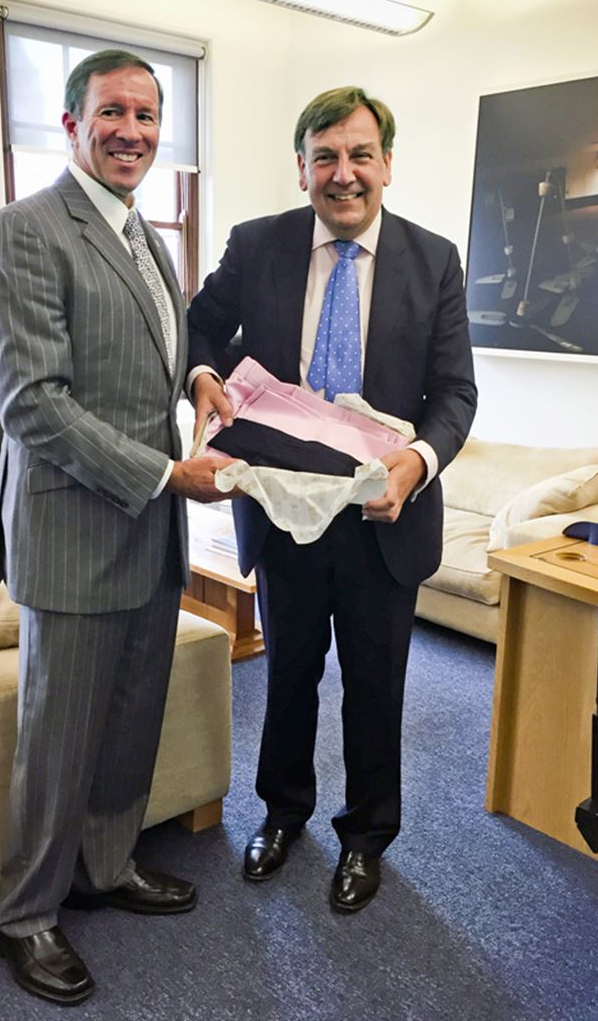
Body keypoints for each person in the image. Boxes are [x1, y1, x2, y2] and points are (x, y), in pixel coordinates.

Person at [0, 49, 234, 1006]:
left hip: (150, 536)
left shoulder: (143, 234)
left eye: (147, 116)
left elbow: (155, 353)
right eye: (112, 112)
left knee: (129, 722)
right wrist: (168, 473)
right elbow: (34, 405)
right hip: (75, 533)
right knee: (60, 741)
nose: (132, 131)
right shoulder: (22, 231)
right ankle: (24, 915)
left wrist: (198, 376)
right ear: (72, 123)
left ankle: (106, 865)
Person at [187, 86, 477, 912]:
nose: (342, 174)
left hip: (385, 516)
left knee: (376, 687)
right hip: (283, 511)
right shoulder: (258, 245)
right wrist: (203, 374)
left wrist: (416, 463)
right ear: (302, 168)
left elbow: (456, 393)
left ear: (387, 164)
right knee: (289, 676)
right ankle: (282, 814)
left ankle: (366, 835)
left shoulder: (433, 260)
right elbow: (198, 327)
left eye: (359, 155)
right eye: (325, 158)